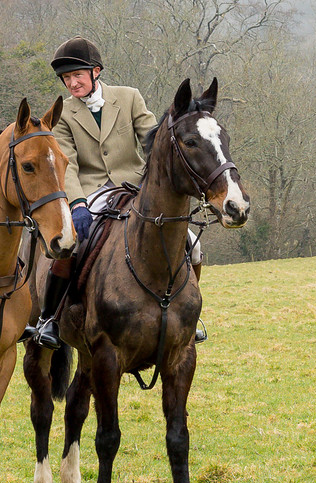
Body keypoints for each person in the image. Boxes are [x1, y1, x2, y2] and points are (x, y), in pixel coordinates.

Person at [26, 36, 207, 349]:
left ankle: (187, 315)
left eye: (76, 76)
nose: (71, 83)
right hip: (92, 193)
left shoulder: (129, 97)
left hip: (135, 188)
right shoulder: (64, 113)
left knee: (191, 244)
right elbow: (66, 165)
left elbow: (155, 141)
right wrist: (79, 203)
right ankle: (49, 319)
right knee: (70, 246)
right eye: (66, 78)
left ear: (96, 71)